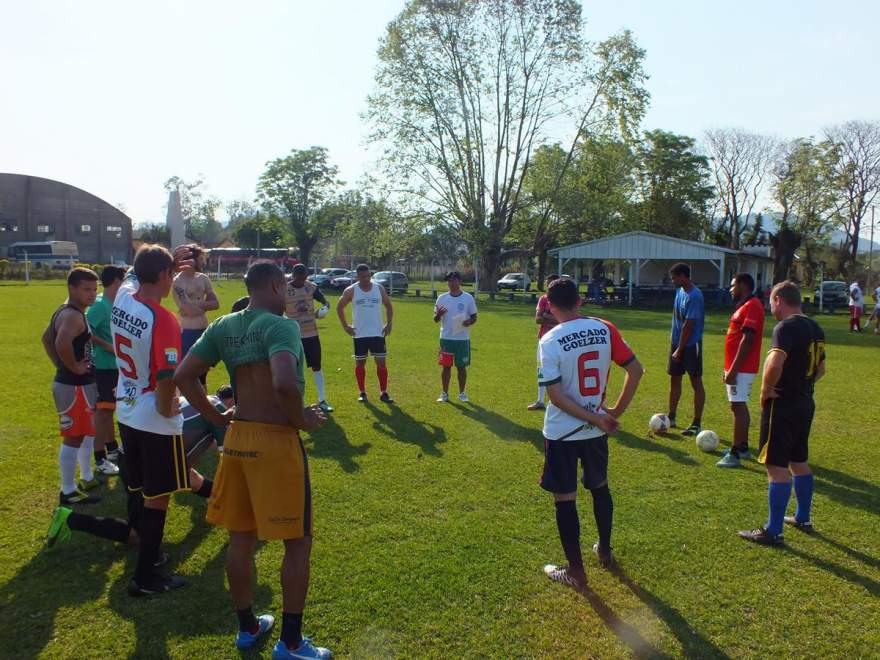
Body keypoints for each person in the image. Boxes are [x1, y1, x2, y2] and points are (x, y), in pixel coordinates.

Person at [174, 261, 330, 658]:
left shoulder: (224, 325)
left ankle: (247, 627)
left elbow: (184, 375)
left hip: (237, 437)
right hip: (276, 440)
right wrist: (303, 420)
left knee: (240, 538)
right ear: (278, 285)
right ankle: (291, 643)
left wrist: (214, 417)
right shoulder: (282, 326)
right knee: (298, 541)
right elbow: (282, 382)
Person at [538, 278, 643, 590]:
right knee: (600, 487)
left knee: (565, 497)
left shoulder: (549, 339)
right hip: (595, 429)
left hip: (562, 433)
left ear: (549, 304)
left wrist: (598, 419)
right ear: (580, 301)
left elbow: (556, 397)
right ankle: (605, 550)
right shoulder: (605, 327)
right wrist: (610, 415)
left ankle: (576, 572)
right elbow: (636, 370)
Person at [46, 386, 233, 551]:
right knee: (140, 535)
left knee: (188, 477)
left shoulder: (197, 400)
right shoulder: (219, 411)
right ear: (231, 401)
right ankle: (69, 519)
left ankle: (230, 501)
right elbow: (228, 461)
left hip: (133, 451)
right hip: (145, 463)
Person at [113, 244, 193, 596]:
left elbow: (134, 276)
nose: (173, 280)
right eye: (171, 274)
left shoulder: (122, 298)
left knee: (139, 486)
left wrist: (158, 262)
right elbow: (165, 377)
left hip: (126, 408)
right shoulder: (163, 318)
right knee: (158, 496)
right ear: (164, 276)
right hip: (152, 416)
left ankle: (150, 557)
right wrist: (166, 408)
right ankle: (145, 577)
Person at [739, 281, 825, 546]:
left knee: (775, 466)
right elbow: (821, 369)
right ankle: (802, 517)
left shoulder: (785, 327)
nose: (770, 307)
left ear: (779, 300)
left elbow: (775, 362)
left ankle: (773, 530)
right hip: (805, 402)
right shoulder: (815, 327)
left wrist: (765, 392)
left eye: (771, 302)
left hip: (783, 405)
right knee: (798, 461)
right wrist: (802, 386)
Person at [41, 267, 101, 505]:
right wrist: (73, 367)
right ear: (72, 288)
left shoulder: (67, 311)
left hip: (79, 383)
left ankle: (85, 476)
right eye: (86, 289)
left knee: (85, 431)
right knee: (73, 436)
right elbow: (60, 342)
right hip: (73, 385)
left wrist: (60, 363)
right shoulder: (72, 315)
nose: (92, 294)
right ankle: (67, 490)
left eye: (95, 289)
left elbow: (45, 339)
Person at [717, 274, 765, 468]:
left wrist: (734, 369)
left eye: (733, 285)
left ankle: (735, 453)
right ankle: (743, 448)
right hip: (736, 367)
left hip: (743, 368)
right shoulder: (745, 306)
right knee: (736, 405)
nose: (730, 289)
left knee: (738, 406)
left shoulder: (753, 305)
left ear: (743, 285)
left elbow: (748, 340)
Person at [85, 265, 127, 476]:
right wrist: (106, 345)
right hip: (103, 367)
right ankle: (99, 458)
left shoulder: (115, 303)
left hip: (115, 366)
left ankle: (111, 449)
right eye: (125, 280)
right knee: (103, 412)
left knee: (109, 409)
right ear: (117, 282)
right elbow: (85, 329)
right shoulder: (100, 305)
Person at [336, 263, 394, 403]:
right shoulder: (351, 290)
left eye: (368, 276)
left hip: (377, 333)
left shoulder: (378, 289)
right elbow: (339, 307)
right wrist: (346, 326)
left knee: (381, 364)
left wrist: (389, 323)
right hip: (360, 334)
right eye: (363, 276)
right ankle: (362, 392)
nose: (366, 279)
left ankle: (384, 392)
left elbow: (388, 305)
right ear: (357, 277)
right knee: (360, 364)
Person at [286, 263, 333, 413]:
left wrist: (324, 310)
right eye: (299, 279)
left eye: (304, 278)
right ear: (293, 276)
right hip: (293, 336)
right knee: (294, 370)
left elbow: (325, 302)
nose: (302, 282)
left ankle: (322, 400)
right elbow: (278, 310)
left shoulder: (311, 287)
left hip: (311, 334)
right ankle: (298, 402)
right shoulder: (285, 290)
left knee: (316, 366)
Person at [667, 263, 706, 436]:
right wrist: (675, 346)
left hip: (690, 345)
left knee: (695, 382)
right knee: (674, 380)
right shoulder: (679, 291)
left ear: (683, 276)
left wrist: (680, 349)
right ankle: (671, 416)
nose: (673, 280)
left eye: (675, 277)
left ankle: (697, 422)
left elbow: (689, 325)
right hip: (676, 343)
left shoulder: (695, 295)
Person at [172, 244, 219, 383]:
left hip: (204, 332)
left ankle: (201, 403)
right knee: (188, 377)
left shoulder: (203, 278)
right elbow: (190, 312)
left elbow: (216, 304)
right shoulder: (178, 282)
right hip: (187, 334)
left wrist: (195, 304)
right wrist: (205, 305)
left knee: (203, 377)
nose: (203, 262)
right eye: (200, 258)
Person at [433, 271, 477, 402]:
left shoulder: (468, 298)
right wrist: (439, 315)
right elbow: (435, 319)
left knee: (461, 367)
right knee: (446, 367)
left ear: (459, 281)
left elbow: (474, 316)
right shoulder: (441, 298)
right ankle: (444, 393)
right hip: (446, 338)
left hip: (462, 339)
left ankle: (462, 393)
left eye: (453, 280)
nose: (451, 283)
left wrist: (469, 321)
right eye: (449, 281)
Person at [528, 274, 560, 411]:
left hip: (560, 340)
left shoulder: (563, 300)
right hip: (543, 340)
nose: (549, 286)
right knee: (541, 370)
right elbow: (538, 319)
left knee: (561, 370)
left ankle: (560, 402)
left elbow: (565, 320)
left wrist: (546, 316)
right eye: (548, 284)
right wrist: (554, 318)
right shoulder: (543, 299)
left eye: (551, 283)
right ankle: (540, 400)